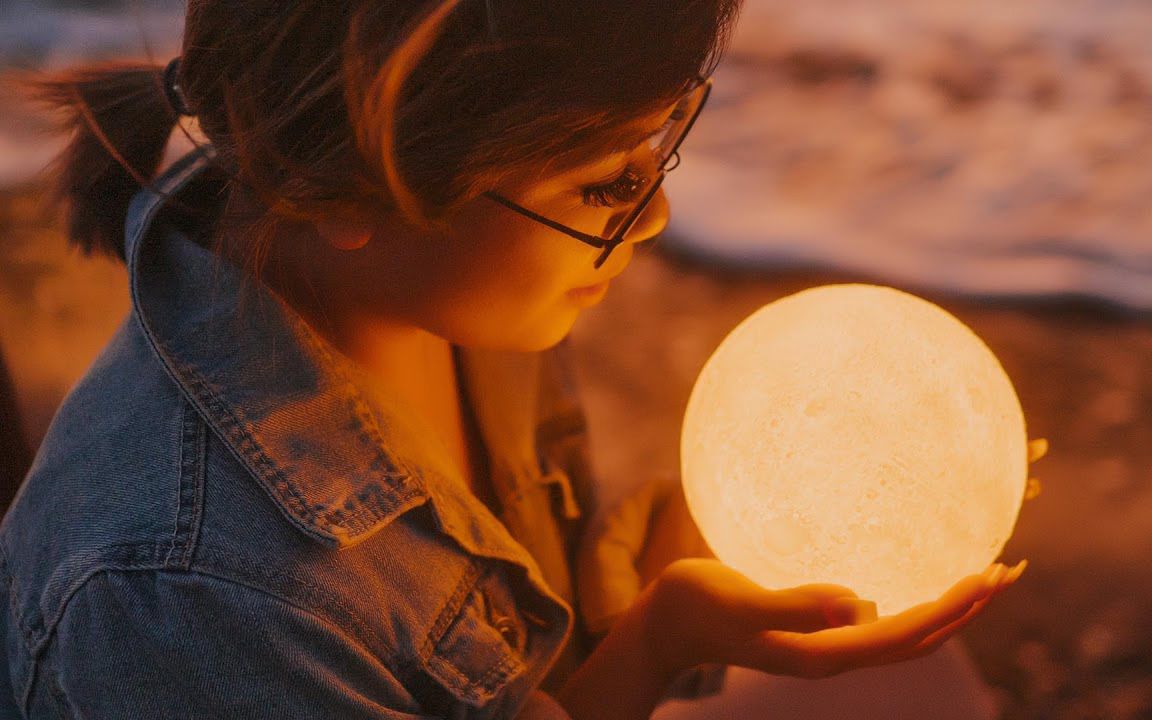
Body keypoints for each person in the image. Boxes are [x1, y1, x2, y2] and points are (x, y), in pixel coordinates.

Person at [0, 1, 1029, 718]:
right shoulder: (194, 600)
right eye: (604, 185)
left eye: (662, 148)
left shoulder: (452, 307)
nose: (658, 215)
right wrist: (657, 645)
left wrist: (658, 591)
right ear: (358, 188)